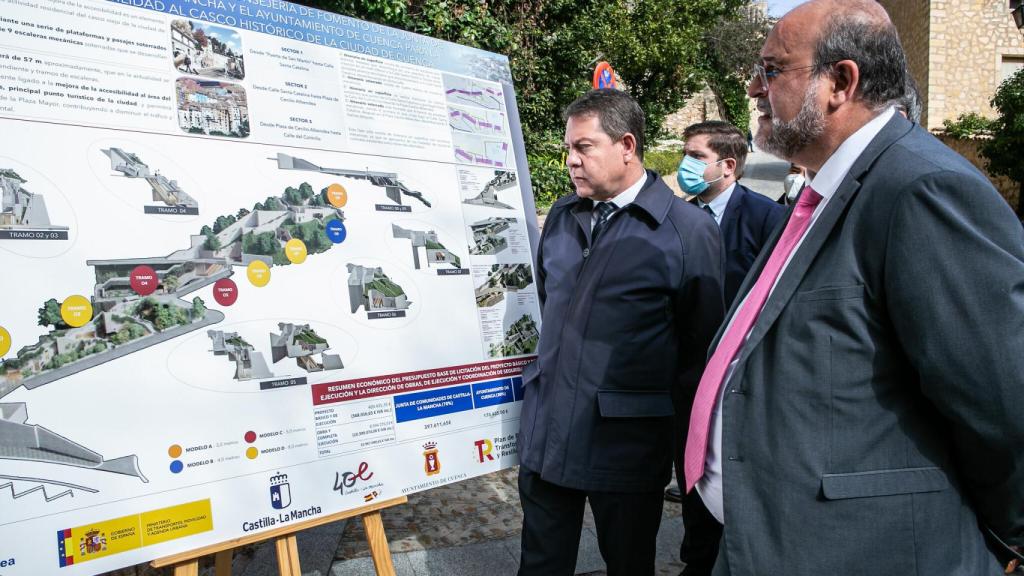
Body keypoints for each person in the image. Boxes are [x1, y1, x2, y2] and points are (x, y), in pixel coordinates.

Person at [683, 1, 1024, 574]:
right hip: (762, 541)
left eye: (770, 70)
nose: (752, 88)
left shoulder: (921, 188)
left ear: (840, 81)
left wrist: (1003, 545)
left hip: (863, 552)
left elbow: (1004, 401)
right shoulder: (822, 189)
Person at [518, 89, 725, 576]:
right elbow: (553, 309)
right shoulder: (564, 218)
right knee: (540, 565)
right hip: (548, 436)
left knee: (628, 565)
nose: (571, 161)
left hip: (626, 446)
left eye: (583, 147)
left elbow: (701, 349)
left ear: (627, 145)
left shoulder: (687, 230)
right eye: (568, 148)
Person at [669, 120, 784, 575]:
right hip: (688, 378)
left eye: (696, 156)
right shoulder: (677, 218)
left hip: (744, 378)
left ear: (728, 165)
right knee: (692, 478)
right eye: (686, 153)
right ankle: (696, 563)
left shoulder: (767, 218)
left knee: (739, 482)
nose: (686, 164)